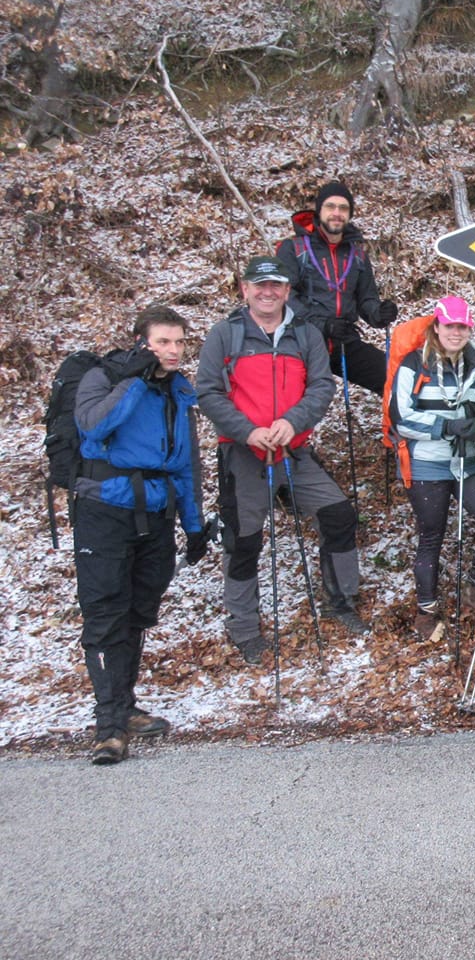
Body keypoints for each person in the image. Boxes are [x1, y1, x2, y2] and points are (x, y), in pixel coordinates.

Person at [196, 256, 367, 661]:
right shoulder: (225, 334)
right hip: (243, 453)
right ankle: (243, 628)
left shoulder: (305, 335)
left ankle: (341, 600)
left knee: (338, 514)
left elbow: (321, 386)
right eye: (260, 285)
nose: (268, 292)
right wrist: (247, 431)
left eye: (276, 285)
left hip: (293, 449)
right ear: (245, 289)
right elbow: (208, 392)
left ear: (287, 291)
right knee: (243, 539)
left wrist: (292, 422)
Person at [72, 305, 207, 764]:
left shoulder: (178, 390)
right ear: (140, 342)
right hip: (105, 510)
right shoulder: (104, 378)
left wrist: (194, 525)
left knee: (136, 612)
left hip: (156, 513)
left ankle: (124, 707)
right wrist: (133, 380)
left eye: (179, 341)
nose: (173, 350)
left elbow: (186, 464)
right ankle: (108, 727)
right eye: (163, 341)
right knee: (106, 613)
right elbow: (94, 426)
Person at [390, 296, 475, 642]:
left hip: (469, 459)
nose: (457, 332)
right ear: (437, 326)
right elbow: (400, 417)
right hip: (427, 462)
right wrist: (446, 426)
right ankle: (426, 610)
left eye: (463, 326)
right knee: (431, 535)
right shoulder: (413, 363)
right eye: (450, 325)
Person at [276, 180, 398, 395]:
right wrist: (323, 325)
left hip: (343, 340)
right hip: (301, 341)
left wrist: (379, 313)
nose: (336, 213)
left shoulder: (357, 255)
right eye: (330, 206)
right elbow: (285, 298)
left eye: (343, 208)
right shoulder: (293, 249)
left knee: (397, 379)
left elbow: (366, 300)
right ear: (319, 210)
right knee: (298, 399)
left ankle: (403, 417)